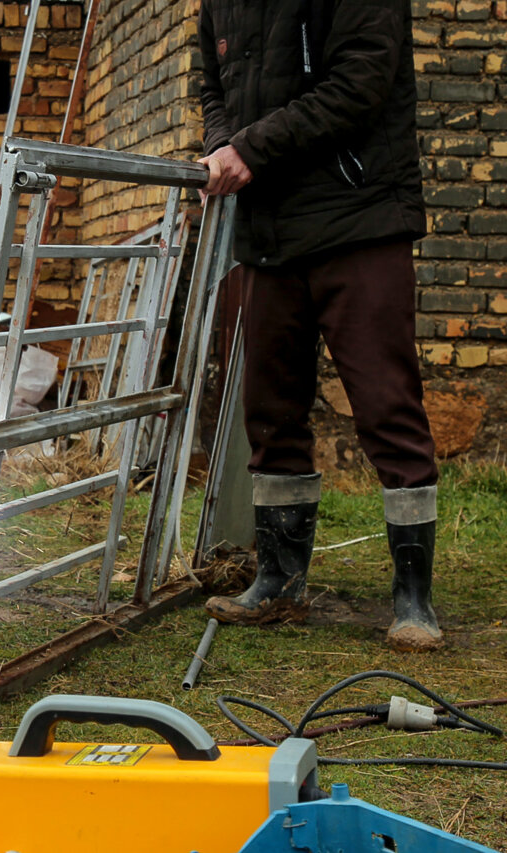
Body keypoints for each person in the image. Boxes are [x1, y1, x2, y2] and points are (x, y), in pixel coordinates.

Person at [197, 0, 441, 651]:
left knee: (387, 404)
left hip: (358, 216)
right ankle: (279, 580)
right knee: (269, 410)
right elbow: (211, 85)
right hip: (269, 229)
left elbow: (360, 82)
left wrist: (250, 147)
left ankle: (413, 596)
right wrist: (221, 142)